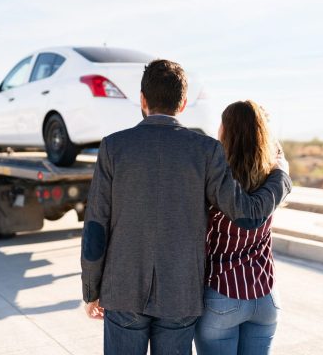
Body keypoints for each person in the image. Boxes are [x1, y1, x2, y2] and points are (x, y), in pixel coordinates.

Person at [80, 59, 291, 355]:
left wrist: (91, 289)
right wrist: (281, 175)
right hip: (180, 294)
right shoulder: (207, 150)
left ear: (142, 100)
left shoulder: (113, 147)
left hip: (123, 291)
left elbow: (95, 226)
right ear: (183, 104)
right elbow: (247, 214)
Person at [194, 100, 283, 355]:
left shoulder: (216, 183)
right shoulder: (271, 180)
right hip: (265, 296)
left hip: (222, 295)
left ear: (225, 132)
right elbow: (277, 154)